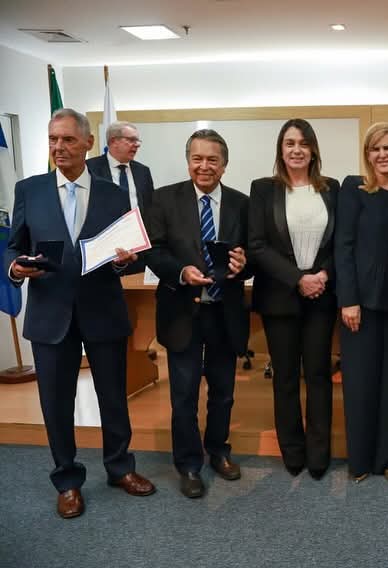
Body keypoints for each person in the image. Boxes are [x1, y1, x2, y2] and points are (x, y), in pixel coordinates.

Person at [4, 108, 155, 518]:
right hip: (50, 315)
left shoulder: (114, 193)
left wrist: (125, 260)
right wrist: (15, 267)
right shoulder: (28, 190)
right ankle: (67, 481)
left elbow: (131, 253)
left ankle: (120, 468)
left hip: (103, 310)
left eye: (68, 140)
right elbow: (12, 246)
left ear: (89, 144)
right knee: (56, 403)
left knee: (113, 399)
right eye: (53, 139)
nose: (59, 147)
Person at [144, 129, 250, 498]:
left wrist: (243, 264)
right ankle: (188, 465)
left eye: (212, 160)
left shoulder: (242, 203)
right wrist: (180, 272)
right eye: (197, 158)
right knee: (184, 396)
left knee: (223, 393)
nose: (204, 166)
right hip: (181, 311)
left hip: (225, 312)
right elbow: (152, 251)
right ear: (188, 160)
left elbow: (251, 256)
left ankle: (219, 452)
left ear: (224, 164)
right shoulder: (162, 200)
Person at [248, 118, 339, 480]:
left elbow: (342, 241)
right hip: (280, 297)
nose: (297, 149)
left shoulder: (332, 189)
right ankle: (293, 449)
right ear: (280, 150)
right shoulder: (263, 189)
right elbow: (256, 244)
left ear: (313, 148)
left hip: (321, 294)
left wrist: (323, 275)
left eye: (303, 142)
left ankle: (319, 453)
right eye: (289, 143)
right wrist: (296, 279)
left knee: (318, 375)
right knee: (285, 377)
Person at [335, 122, 388, 484]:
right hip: (360, 305)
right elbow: (344, 247)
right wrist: (348, 299)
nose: (383, 155)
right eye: (375, 149)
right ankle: (361, 460)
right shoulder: (354, 188)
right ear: (367, 155)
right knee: (360, 383)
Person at [87, 121, 154, 274]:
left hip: (138, 252)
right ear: (113, 142)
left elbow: (150, 210)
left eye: (137, 141)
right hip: (102, 253)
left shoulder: (143, 172)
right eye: (131, 140)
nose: (137, 145)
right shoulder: (90, 169)